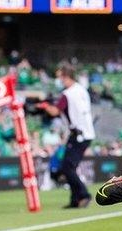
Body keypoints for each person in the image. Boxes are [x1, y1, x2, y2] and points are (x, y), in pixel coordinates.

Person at [39, 63, 95, 208]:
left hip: (78, 135)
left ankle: (83, 195)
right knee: (69, 167)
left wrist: (44, 105)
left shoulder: (68, 94)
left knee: (67, 168)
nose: (58, 80)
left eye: (59, 76)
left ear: (65, 76)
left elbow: (55, 112)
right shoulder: (82, 90)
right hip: (86, 133)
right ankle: (75, 200)